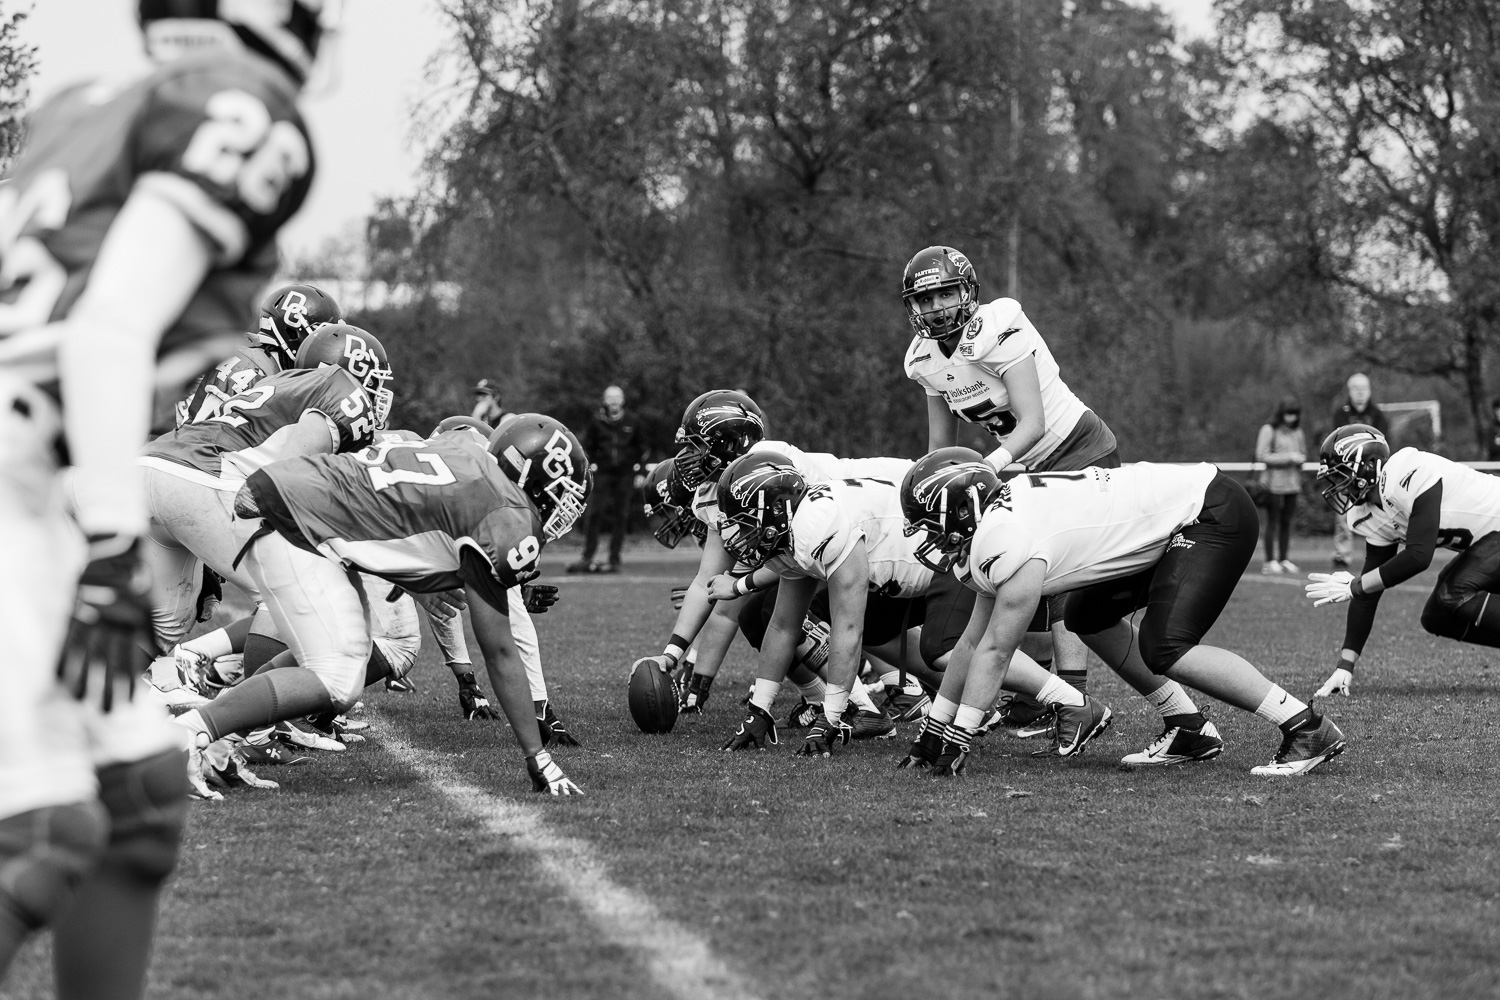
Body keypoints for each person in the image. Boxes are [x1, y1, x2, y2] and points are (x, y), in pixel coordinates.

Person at [0, 1, 323, 994]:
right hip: (27, 478)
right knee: (44, 833)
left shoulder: (81, 102)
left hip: (35, 457)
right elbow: (105, 333)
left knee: (137, 797)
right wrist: (107, 552)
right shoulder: (243, 106)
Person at [170, 415, 591, 797]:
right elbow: (499, 652)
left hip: (290, 501)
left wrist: (422, 583)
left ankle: (216, 738)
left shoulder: (464, 456)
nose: (562, 509)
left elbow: (387, 516)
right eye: (563, 493)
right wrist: (537, 756)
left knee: (327, 653)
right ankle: (184, 736)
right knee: (339, 676)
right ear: (533, 476)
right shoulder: (505, 514)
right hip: (296, 517)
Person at [900, 450, 1348, 777]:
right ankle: (1189, 728)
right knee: (1086, 615)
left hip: (1208, 511)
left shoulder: (1003, 536)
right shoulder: (996, 529)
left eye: (930, 523)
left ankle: (1306, 727)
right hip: (1169, 520)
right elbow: (971, 644)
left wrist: (957, 737)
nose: (929, 538)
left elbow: (997, 650)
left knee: (1166, 646)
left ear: (964, 509)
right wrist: (933, 729)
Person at [901, 245, 1119, 734]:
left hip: (1076, 447)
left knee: (1063, 582)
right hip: (1023, 466)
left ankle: (1074, 702)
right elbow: (940, 446)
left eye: (945, 294)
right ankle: (1042, 701)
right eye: (925, 298)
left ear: (967, 292)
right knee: (1017, 575)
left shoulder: (997, 326)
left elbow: (1033, 423)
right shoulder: (923, 359)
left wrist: (987, 469)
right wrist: (931, 492)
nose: (935, 307)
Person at [1307, 424, 1500, 697]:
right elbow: (1370, 591)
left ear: (1368, 466)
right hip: (1490, 543)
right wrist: (1345, 665)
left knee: (1453, 591)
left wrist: (1355, 586)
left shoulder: (1405, 471)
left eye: (1343, 474)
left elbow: (1418, 556)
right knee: (1436, 616)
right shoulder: (1370, 514)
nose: (1339, 485)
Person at [569, 385, 648, 573]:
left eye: (617, 397)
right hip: (602, 473)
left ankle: (614, 558)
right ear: (605, 400)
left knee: (621, 516)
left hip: (625, 474)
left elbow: (642, 448)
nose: (614, 401)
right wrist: (593, 465)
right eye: (610, 397)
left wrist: (640, 472)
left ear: (622, 400)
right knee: (594, 513)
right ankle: (587, 557)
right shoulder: (596, 421)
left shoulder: (633, 421)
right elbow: (586, 446)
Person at [1330, 373, 1388, 568]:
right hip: (1345, 473)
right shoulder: (1341, 413)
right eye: (1356, 388)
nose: (1360, 393)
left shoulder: (1378, 414)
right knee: (1342, 515)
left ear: (1369, 390)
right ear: (1349, 391)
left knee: (1374, 514)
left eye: (1363, 388)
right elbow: (1336, 443)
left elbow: (1383, 445)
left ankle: (1376, 554)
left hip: (1371, 473)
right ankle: (1342, 555)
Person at [1255, 397, 1307, 574]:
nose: (1290, 418)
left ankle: (1284, 559)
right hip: (1273, 484)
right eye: (1288, 414)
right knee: (1273, 521)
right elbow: (1261, 455)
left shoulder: (1298, 432)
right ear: (1281, 413)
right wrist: (1288, 458)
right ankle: (1270, 561)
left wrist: (1300, 460)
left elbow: (1302, 453)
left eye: (1294, 415)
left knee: (1286, 522)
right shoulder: (1269, 430)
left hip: (1292, 484)